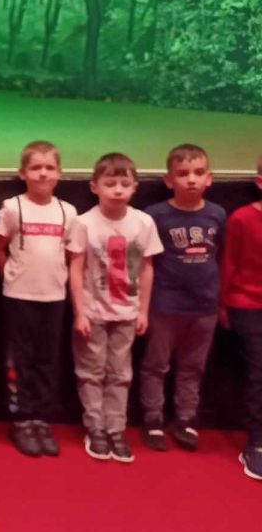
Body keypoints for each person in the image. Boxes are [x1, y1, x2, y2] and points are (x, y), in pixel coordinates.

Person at [68, 152, 162, 464]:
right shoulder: (84, 223)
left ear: (135, 187)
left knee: (120, 373)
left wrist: (143, 311)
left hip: (127, 312)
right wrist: (80, 312)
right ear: (95, 187)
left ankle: (116, 428)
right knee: (91, 371)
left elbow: (147, 268)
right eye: (110, 183)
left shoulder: (143, 222)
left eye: (124, 183)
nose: (118, 190)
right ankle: (95, 427)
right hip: (93, 312)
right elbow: (76, 268)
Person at [0, 141, 76, 458]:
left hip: (54, 297)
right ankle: (21, 419)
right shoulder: (13, 207)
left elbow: (69, 255)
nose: (42, 173)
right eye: (36, 167)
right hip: (18, 297)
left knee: (47, 360)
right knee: (21, 360)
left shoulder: (67, 211)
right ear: (22, 173)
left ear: (59, 173)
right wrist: (10, 278)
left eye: (49, 168)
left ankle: (41, 419)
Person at [140, 144, 223, 452]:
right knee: (156, 365)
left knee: (192, 366)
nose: (191, 179)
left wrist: (219, 300)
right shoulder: (155, 216)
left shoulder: (217, 214)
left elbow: (220, 256)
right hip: (165, 305)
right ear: (168, 180)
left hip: (205, 307)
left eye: (198, 173)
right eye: (183, 173)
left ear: (209, 178)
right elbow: (146, 263)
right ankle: (152, 418)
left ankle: (186, 418)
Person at [219, 155, 262, 482]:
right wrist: (222, 306)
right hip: (247, 306)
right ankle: (257, 444)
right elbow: (229, 264)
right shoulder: (242, 219)